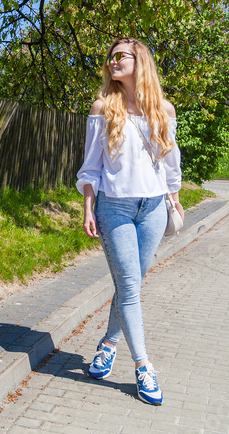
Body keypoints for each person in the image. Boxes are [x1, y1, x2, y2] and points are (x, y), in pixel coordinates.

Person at [76, 37, 184, 406]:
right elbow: (91, 167)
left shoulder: (163, 110)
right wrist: (89, 207)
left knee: (130, 285)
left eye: (120, 55)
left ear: (141, 62)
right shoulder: (103, 108)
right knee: (130, 287)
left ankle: (108, 343)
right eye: (110, 56)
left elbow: (171, 164)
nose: (112, 60)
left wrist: (175, 198)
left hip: (153, 209)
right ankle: (143, 366)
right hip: (115, 208)